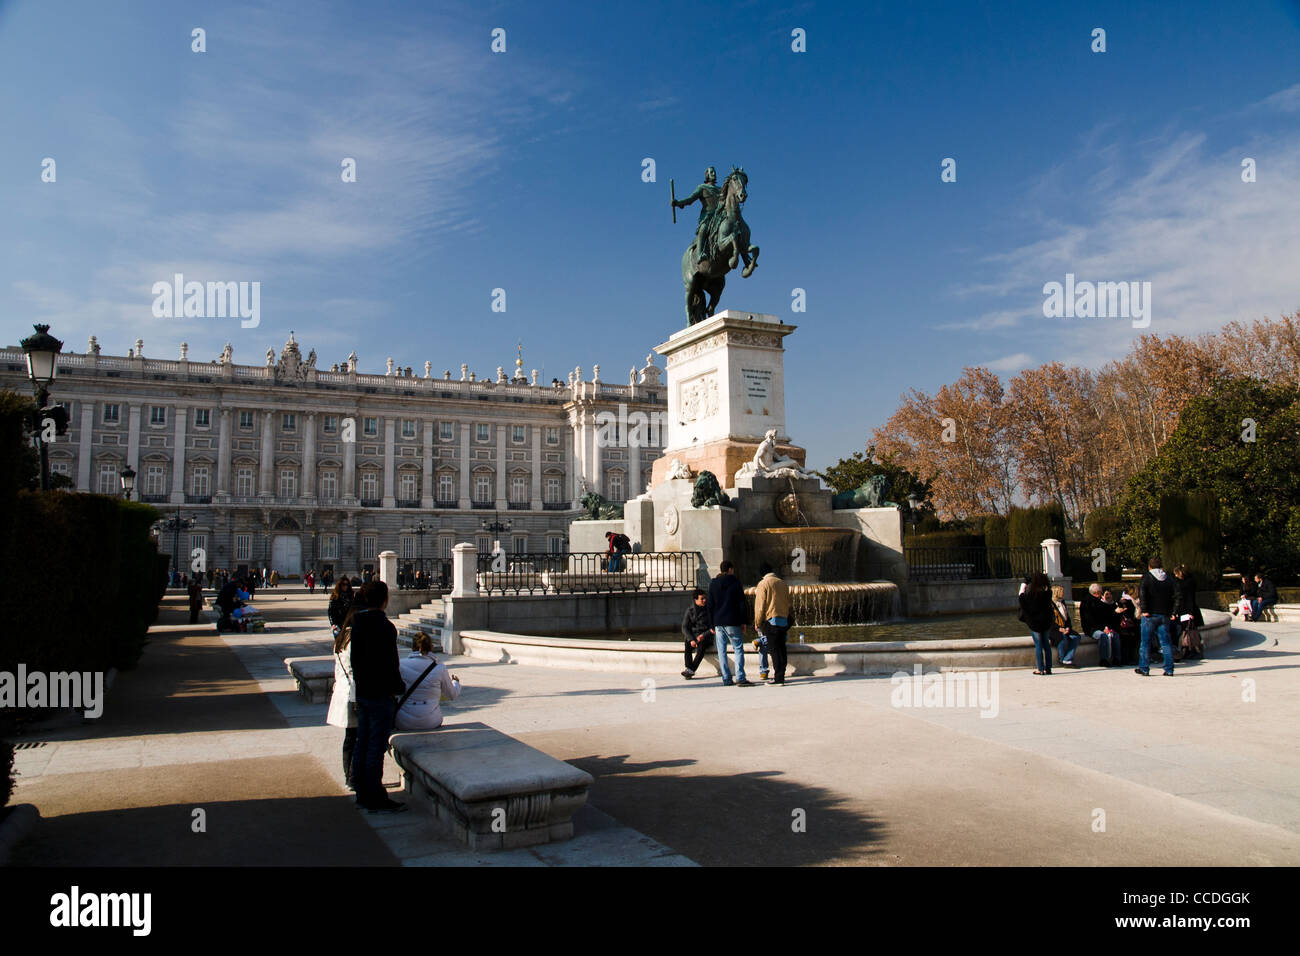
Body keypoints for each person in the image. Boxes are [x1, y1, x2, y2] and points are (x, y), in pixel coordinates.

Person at [347, 580, 407, 812]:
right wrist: (397, 686)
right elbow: (392, 663)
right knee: (376, 746)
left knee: (362, 741)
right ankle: (375, 795)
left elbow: (355, 661)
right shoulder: (386, 627)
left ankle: (361, 790)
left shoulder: (357, 623)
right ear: (385, 600)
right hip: (381, 694)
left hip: (363, 691)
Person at [326, 593, 360, 790]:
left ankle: (348, 776)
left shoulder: (340, 639)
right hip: (354, 694)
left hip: (342, 691)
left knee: (349, 738)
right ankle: (354, 777)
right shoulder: (354, 639)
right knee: (358, 737)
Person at [394, 634, 462, 731]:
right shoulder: (439, 668)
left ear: (413, 646)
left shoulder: (401, 665)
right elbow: (452, 694)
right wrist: (456, 683)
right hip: (431, 721)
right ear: (431, 647)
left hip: (404, 721)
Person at [707, 561, 751, 686]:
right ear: (730, 569)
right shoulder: (736, 583)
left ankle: (726, 678)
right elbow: (742, 604)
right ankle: (740, 677)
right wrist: (744, 621)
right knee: (738, 648)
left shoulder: (713, 584)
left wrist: (711, 624)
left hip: (718, 622)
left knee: (721, 651)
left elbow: (710, 606)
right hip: (732, 621)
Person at [753, 562, 792, 684]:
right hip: (783, 621)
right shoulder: (782, 583)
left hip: (771, 621)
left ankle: (778, 678)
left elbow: (760, 605)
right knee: (781, 648)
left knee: (774, 650)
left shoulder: (763, 583)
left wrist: (758, 622)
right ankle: (782, 675)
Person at [1137, 556, 1176, 676]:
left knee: (1145, 643)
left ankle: (1144, 668)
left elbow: (1142, 593)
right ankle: (1169, 669)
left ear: (1149, 566)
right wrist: (1173, 612)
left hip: (1150, 615)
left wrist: (1144, 610)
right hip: (1164, 614)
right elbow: (1176, 596)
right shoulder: (1168, 578)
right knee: (1166, 643)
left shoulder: (1147, 578)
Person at [1019, 572, 1054, 675]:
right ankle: (1048, 668)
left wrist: (1024, 584)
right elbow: (1048, 588)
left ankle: (1040, 669)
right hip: (1046, 622)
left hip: (1035, 623)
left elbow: (1021, 598)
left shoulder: (1031, 595)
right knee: (1046, 645)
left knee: (1038, 645)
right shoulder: (1048, 593)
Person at [1081, 583, 1119, 666]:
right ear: (1097, 593)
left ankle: (1116, 659)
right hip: (1091, 628)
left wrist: (1106, 627)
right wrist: (1103, 628)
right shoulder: (1086, 603)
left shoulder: (1099, 602)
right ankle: (1104, 659)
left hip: (1101, 627)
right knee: (1103, 636)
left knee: (1115, 635)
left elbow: (1105, 616)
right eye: (1101, 592)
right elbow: (1089, 620)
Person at [1171, 565, 1204, 659]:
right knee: (1188, 631)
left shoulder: (1181, 584)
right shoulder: (1190, 582)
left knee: (1187, 631)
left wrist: (1189, 612)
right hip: (1189, 610)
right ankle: (1189, 650)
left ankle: (1189, 650)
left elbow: (1188, 599)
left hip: (1186, 611)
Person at [680, 588, 714, 679]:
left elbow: (713, 628)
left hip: (706, 636)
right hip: (694, 636)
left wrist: (703, 635)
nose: (704, 600)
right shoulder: (690, 610)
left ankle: (691, 669)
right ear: (695, 600)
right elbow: (684, 627)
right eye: (702, 599)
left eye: (705, 598)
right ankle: (688, 668)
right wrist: (691, 639)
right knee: (687, 644)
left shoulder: (709, 609)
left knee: (702, 647)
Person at [1051, 585, 1080, 666]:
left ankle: (1067, 658)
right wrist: (1059, 629)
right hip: (1054, 629)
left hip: (1064, 628)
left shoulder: (1062, 603)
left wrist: (1068, 627)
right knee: (1062, 637)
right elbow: (1050, 621)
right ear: (1057, 593)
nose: (1063, 593)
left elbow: (1067, 618)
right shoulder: (1050, 605)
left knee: (1076, 637)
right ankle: (1062, 658)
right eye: (1062, 592)